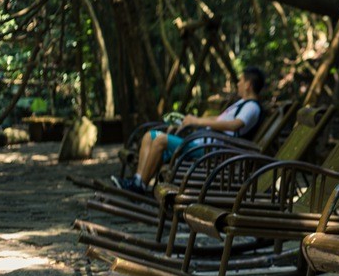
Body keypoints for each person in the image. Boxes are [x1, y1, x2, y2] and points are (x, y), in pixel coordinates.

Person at [112, 67, 265, 195]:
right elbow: (219, 119)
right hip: (203, 143)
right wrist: (193, 119)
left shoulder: (252, 107)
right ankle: (138, 180)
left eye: (241, 80)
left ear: (248, 85)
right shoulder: (242, 103)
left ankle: (140, 185)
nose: (237, 83)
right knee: (149, 135)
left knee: (160, 139)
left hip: (211, 150)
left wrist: (197, 122)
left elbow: (233, 125)